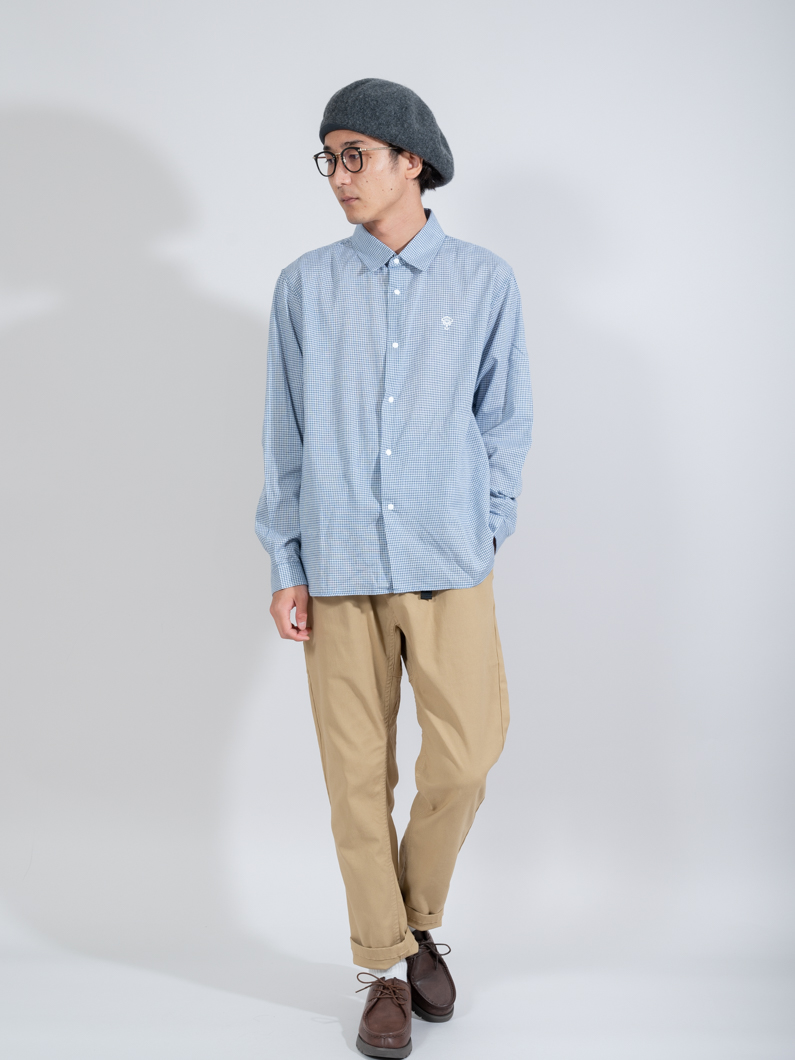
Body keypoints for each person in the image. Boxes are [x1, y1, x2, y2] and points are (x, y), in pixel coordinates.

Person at [255, 77, 533, 1058]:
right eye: (329, 158)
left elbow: (504, 420)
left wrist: (485, 525)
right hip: (335, 563)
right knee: (354, 777)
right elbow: (283, 434)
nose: (339, 176)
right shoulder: (304, 286)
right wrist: (285, 560)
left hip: (448, 561)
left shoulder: (484, 280)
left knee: (467, 754)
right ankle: (383, 968)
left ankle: (414, 924)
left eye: (356, 155)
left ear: (412, 160)